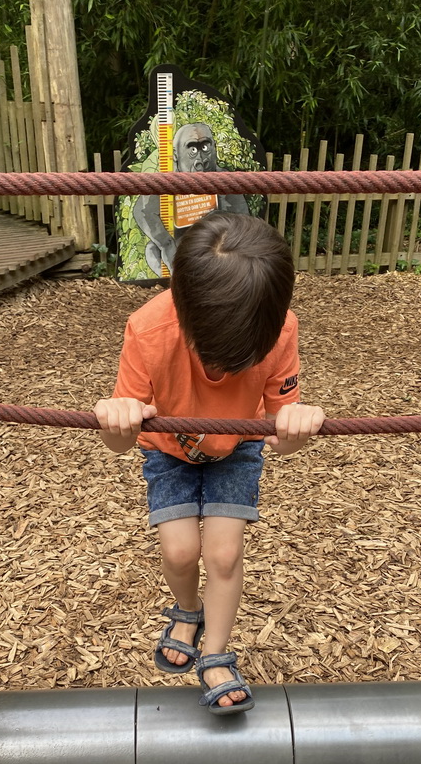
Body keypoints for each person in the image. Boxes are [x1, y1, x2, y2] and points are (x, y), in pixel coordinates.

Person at [94, 212, 325, 715]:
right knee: (179, 553)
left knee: (222, 555)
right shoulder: (149, 329)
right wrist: (118, 421)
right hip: (168, 449)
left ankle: (216, 654)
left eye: (236, 358)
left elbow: (281, 440)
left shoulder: (279, 328)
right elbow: (120, 444)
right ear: (183, 307)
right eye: (213, 355)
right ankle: (186, 611)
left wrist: (297, 428)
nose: (220, 370)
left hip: (237, 445)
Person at [132, 122, 249, 276]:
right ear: (175, 155)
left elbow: (244, 224)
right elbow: (142, 210)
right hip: (180, 251)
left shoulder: (225, 179)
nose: (201, 160)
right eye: (193, 150)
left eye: (205, 148)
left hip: (217, 254)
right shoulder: (167, 181)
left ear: (215, 148)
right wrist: (166, 243)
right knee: (151, 249)